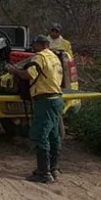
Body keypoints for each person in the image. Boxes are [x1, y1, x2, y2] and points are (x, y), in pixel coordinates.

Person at [7, 34, 64, 183]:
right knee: (53, 135)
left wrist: (14, 72)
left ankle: (43, 173)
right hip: (56, 99)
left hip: (45, 100)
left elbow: (28, 74)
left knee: (40, 134)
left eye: (34, 45)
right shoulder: (54, 57)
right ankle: (53, 169)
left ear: (39, 45)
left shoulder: (39, 57)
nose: (33, 48)